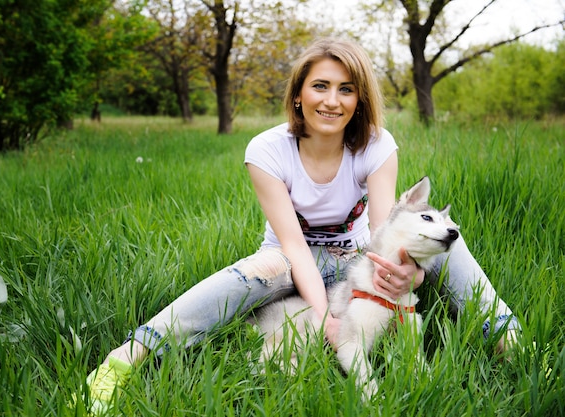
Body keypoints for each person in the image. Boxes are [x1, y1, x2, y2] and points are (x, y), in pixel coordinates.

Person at [79, 37, 519, 413]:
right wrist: (330, 317)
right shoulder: (267, 150)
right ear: (298, 94)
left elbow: (390, 228)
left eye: (346, 89)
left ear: (359, 100)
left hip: (358, 257)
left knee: (448, 239)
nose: (332, 100)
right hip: (288, 260)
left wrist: (413, 272)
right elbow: (291, 243)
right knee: (233, 283)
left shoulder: (377, 144)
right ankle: (120, 363)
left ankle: (513, 345)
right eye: (320, 86)